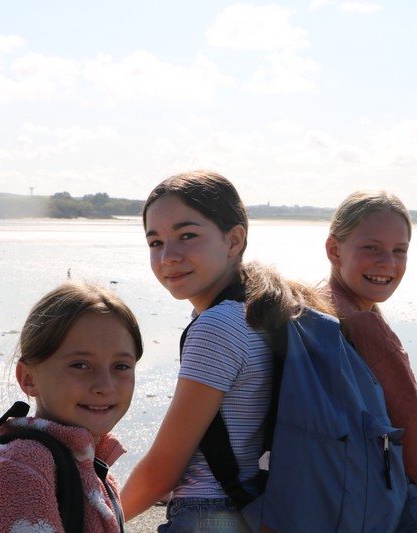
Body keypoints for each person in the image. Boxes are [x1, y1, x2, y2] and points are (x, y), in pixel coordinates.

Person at [120, 170, 330, 531]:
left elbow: (162, 470)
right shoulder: (263, 311)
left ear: (234, 241)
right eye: (155, 242)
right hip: (259, 508)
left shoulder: (218, 327)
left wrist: (97, 521)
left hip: (210, 514)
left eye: (187, 235)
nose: (168, 256)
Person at [0, 280, 144, 533]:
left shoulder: (89, 464)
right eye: (80, 365)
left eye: (121, 366)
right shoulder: (22, 469)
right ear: (29, 378)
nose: (105, 386)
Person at [320, 190, 417, 531]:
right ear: (334, 250)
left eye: (399, 250)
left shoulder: (310, 310)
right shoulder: (363, 327)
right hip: (383, 501)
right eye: (371, 248)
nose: (388, 263)